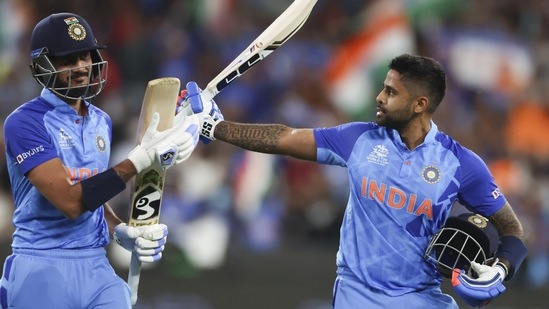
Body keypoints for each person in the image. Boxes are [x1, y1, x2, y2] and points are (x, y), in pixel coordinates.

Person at [181, 54, 528, 308]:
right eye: (383, 87)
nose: (379, 97)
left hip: (421, 299)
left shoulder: (461, 164)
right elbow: (282, 137)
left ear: (420, 104)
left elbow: (512, 229)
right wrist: (214, 128)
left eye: (391, 92)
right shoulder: (359, 139)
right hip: (356, 295)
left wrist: (500, 268)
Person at [1, 12, 199, 308]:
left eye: (86, 56)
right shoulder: (24, 123)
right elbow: (70, 202)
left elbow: (90, 190)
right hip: (41, 264)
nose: (81, 67)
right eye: (68, 60)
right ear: (43, 66)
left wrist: (120, 230)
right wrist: (138, 160)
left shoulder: (101, 121)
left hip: (95, 264)